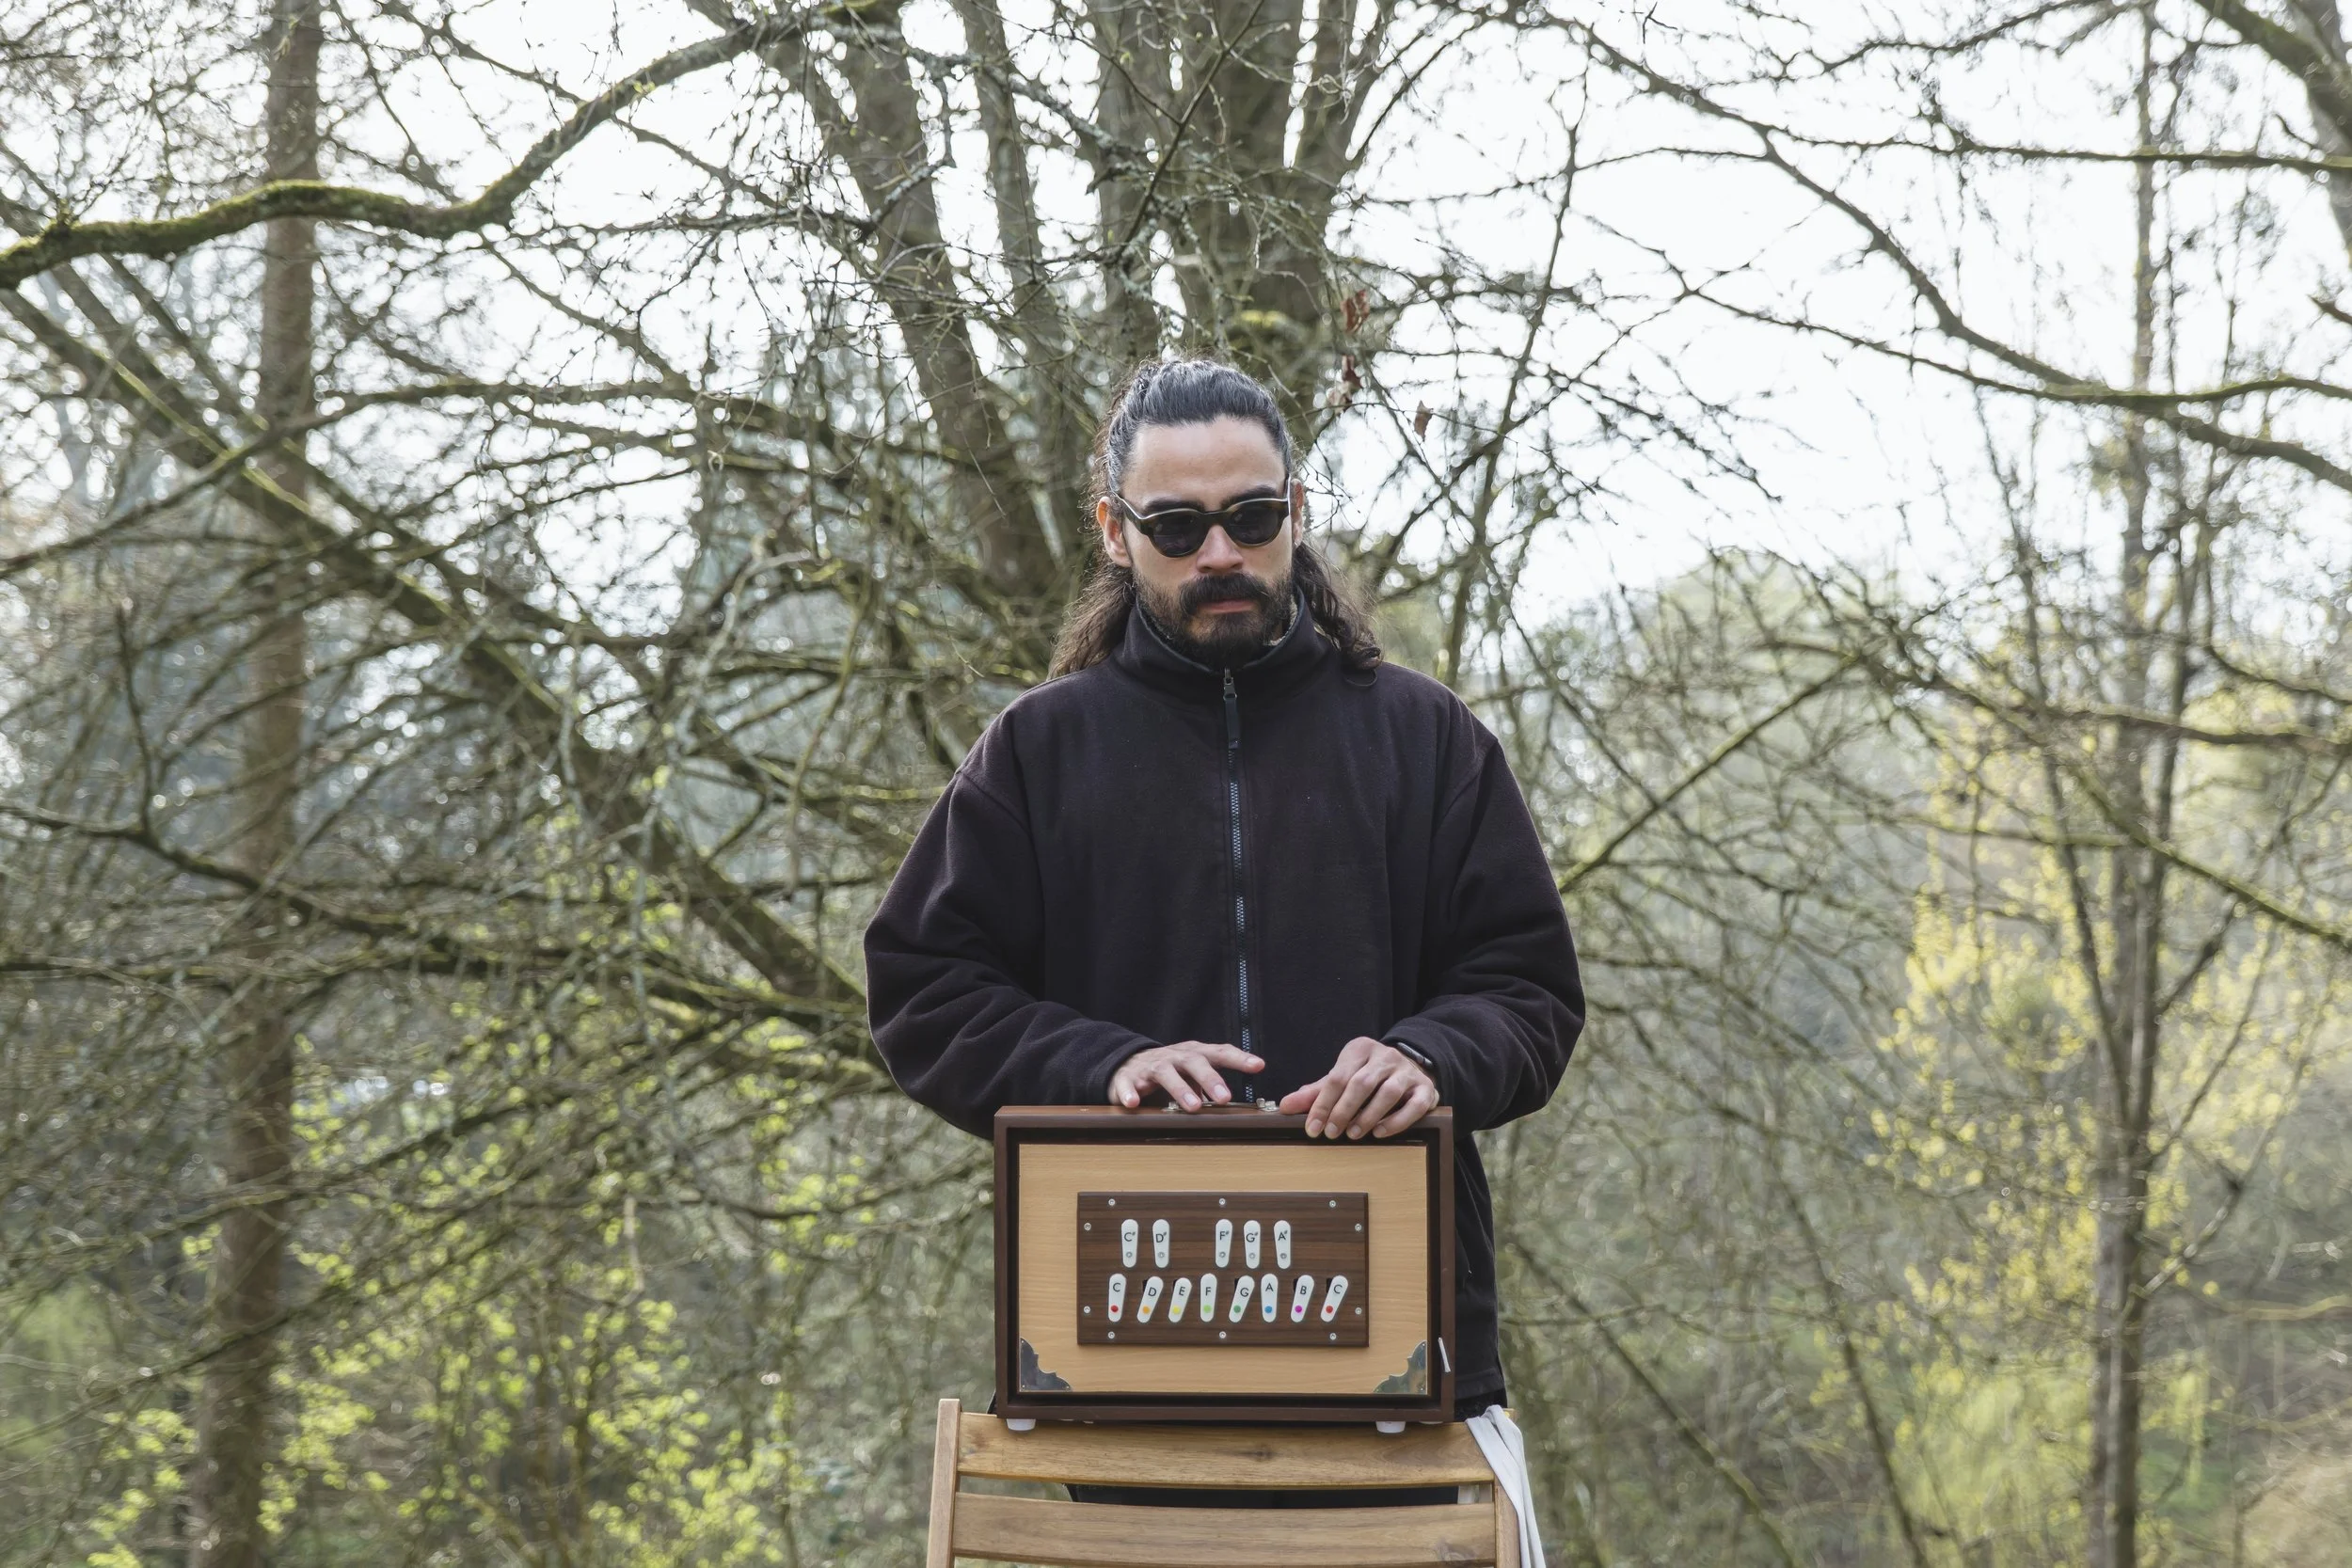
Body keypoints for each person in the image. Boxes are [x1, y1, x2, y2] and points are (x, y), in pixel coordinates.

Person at [864, 358, 1583, 1500]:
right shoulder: (1036, 755)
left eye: (1251, 517)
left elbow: (1528, 987)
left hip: (1397, 1367)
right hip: (1129, 1359)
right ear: (1115, 531)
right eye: (1177, 525)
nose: (1219, 552)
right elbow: (923, 989)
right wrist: (1100, 1065)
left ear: (1295, 509)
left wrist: (1428, 1056)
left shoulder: (1427, 738)